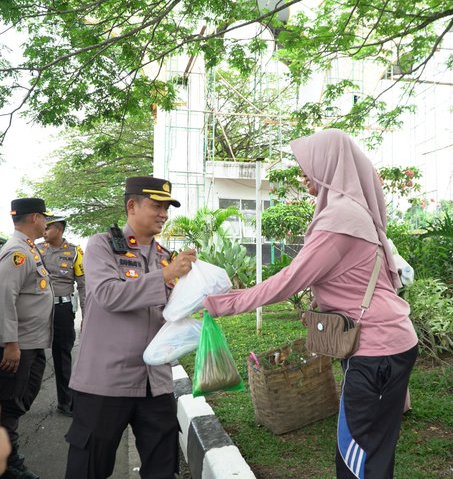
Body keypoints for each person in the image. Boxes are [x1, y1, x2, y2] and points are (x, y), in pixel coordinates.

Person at [203, 129, 418, 479]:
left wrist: (224, 304)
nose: (304, 177)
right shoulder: (358, 211)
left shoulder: (340, 220)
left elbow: (290, 280)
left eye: (308, 169)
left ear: (331, 167)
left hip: (374, 351)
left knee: (356, 454)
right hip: (393, 342)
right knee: (377, 446)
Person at [65, 176, 196, 479]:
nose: (163, 213)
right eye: (156, 206)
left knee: (163, 466)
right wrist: (165, 278)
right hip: (106, 380)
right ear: (132, 205)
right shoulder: (102, 246)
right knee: (89, 468)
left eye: (167, 207)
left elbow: (171, 312)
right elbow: (108, 295)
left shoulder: (166, 257)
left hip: (155, 381)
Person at [0, 198, 55, 479]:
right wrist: (10, 343)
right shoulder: (17, 253)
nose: (46, 223)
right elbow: (4, 298)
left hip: (32, 342)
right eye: (44, 217)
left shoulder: (29, 249)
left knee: (19, 401)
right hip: (19, 345)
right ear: (35, 217)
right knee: (10, 404)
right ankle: (8, 465)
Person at [37, 216, 86, 417]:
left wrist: (87, 314)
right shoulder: (36, 249)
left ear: (58, 229)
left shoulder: (75, 251)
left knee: (63, 356)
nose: (44, 231)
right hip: (37, 310)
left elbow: (83, 285)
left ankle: (65, 402)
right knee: (31, 356)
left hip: (62, 310)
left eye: (48, 228)